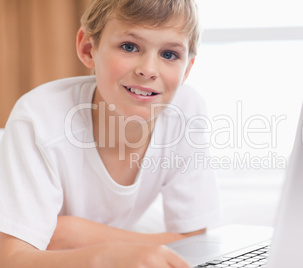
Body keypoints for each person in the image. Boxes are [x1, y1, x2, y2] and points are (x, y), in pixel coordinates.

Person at [0, 0, 221, 267]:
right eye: (129, 47)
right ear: (88, 48)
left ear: (187, 69)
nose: (149, 70)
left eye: (169, 54)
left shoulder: (186, 110)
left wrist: (77, 234)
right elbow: (11, 258)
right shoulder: (38, 118)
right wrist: (105, 255)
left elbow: (194, 243)